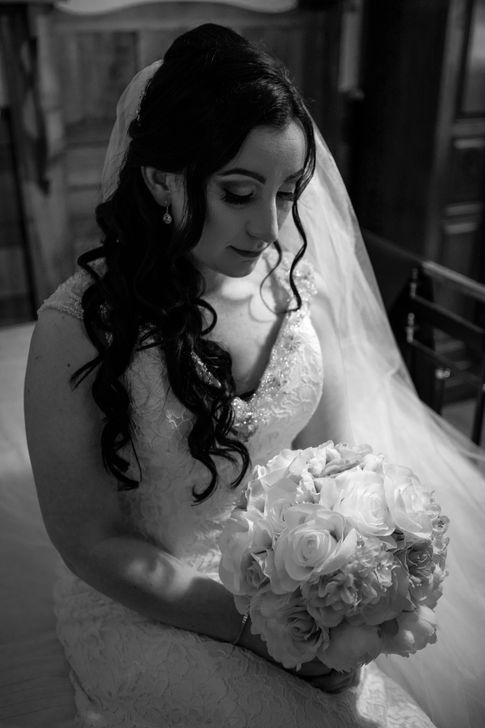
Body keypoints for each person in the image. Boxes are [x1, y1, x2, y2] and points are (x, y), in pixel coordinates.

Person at [23, 23, 484, 728]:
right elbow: (91, 541)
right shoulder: (76, 329)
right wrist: (254, 631)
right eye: (239, 193)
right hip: (141, 601)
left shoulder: (299, 295)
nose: (270, 227)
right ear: (161, 178)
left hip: (286, 589)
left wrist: (333, 605)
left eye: (288, 192)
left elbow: (335, 468)